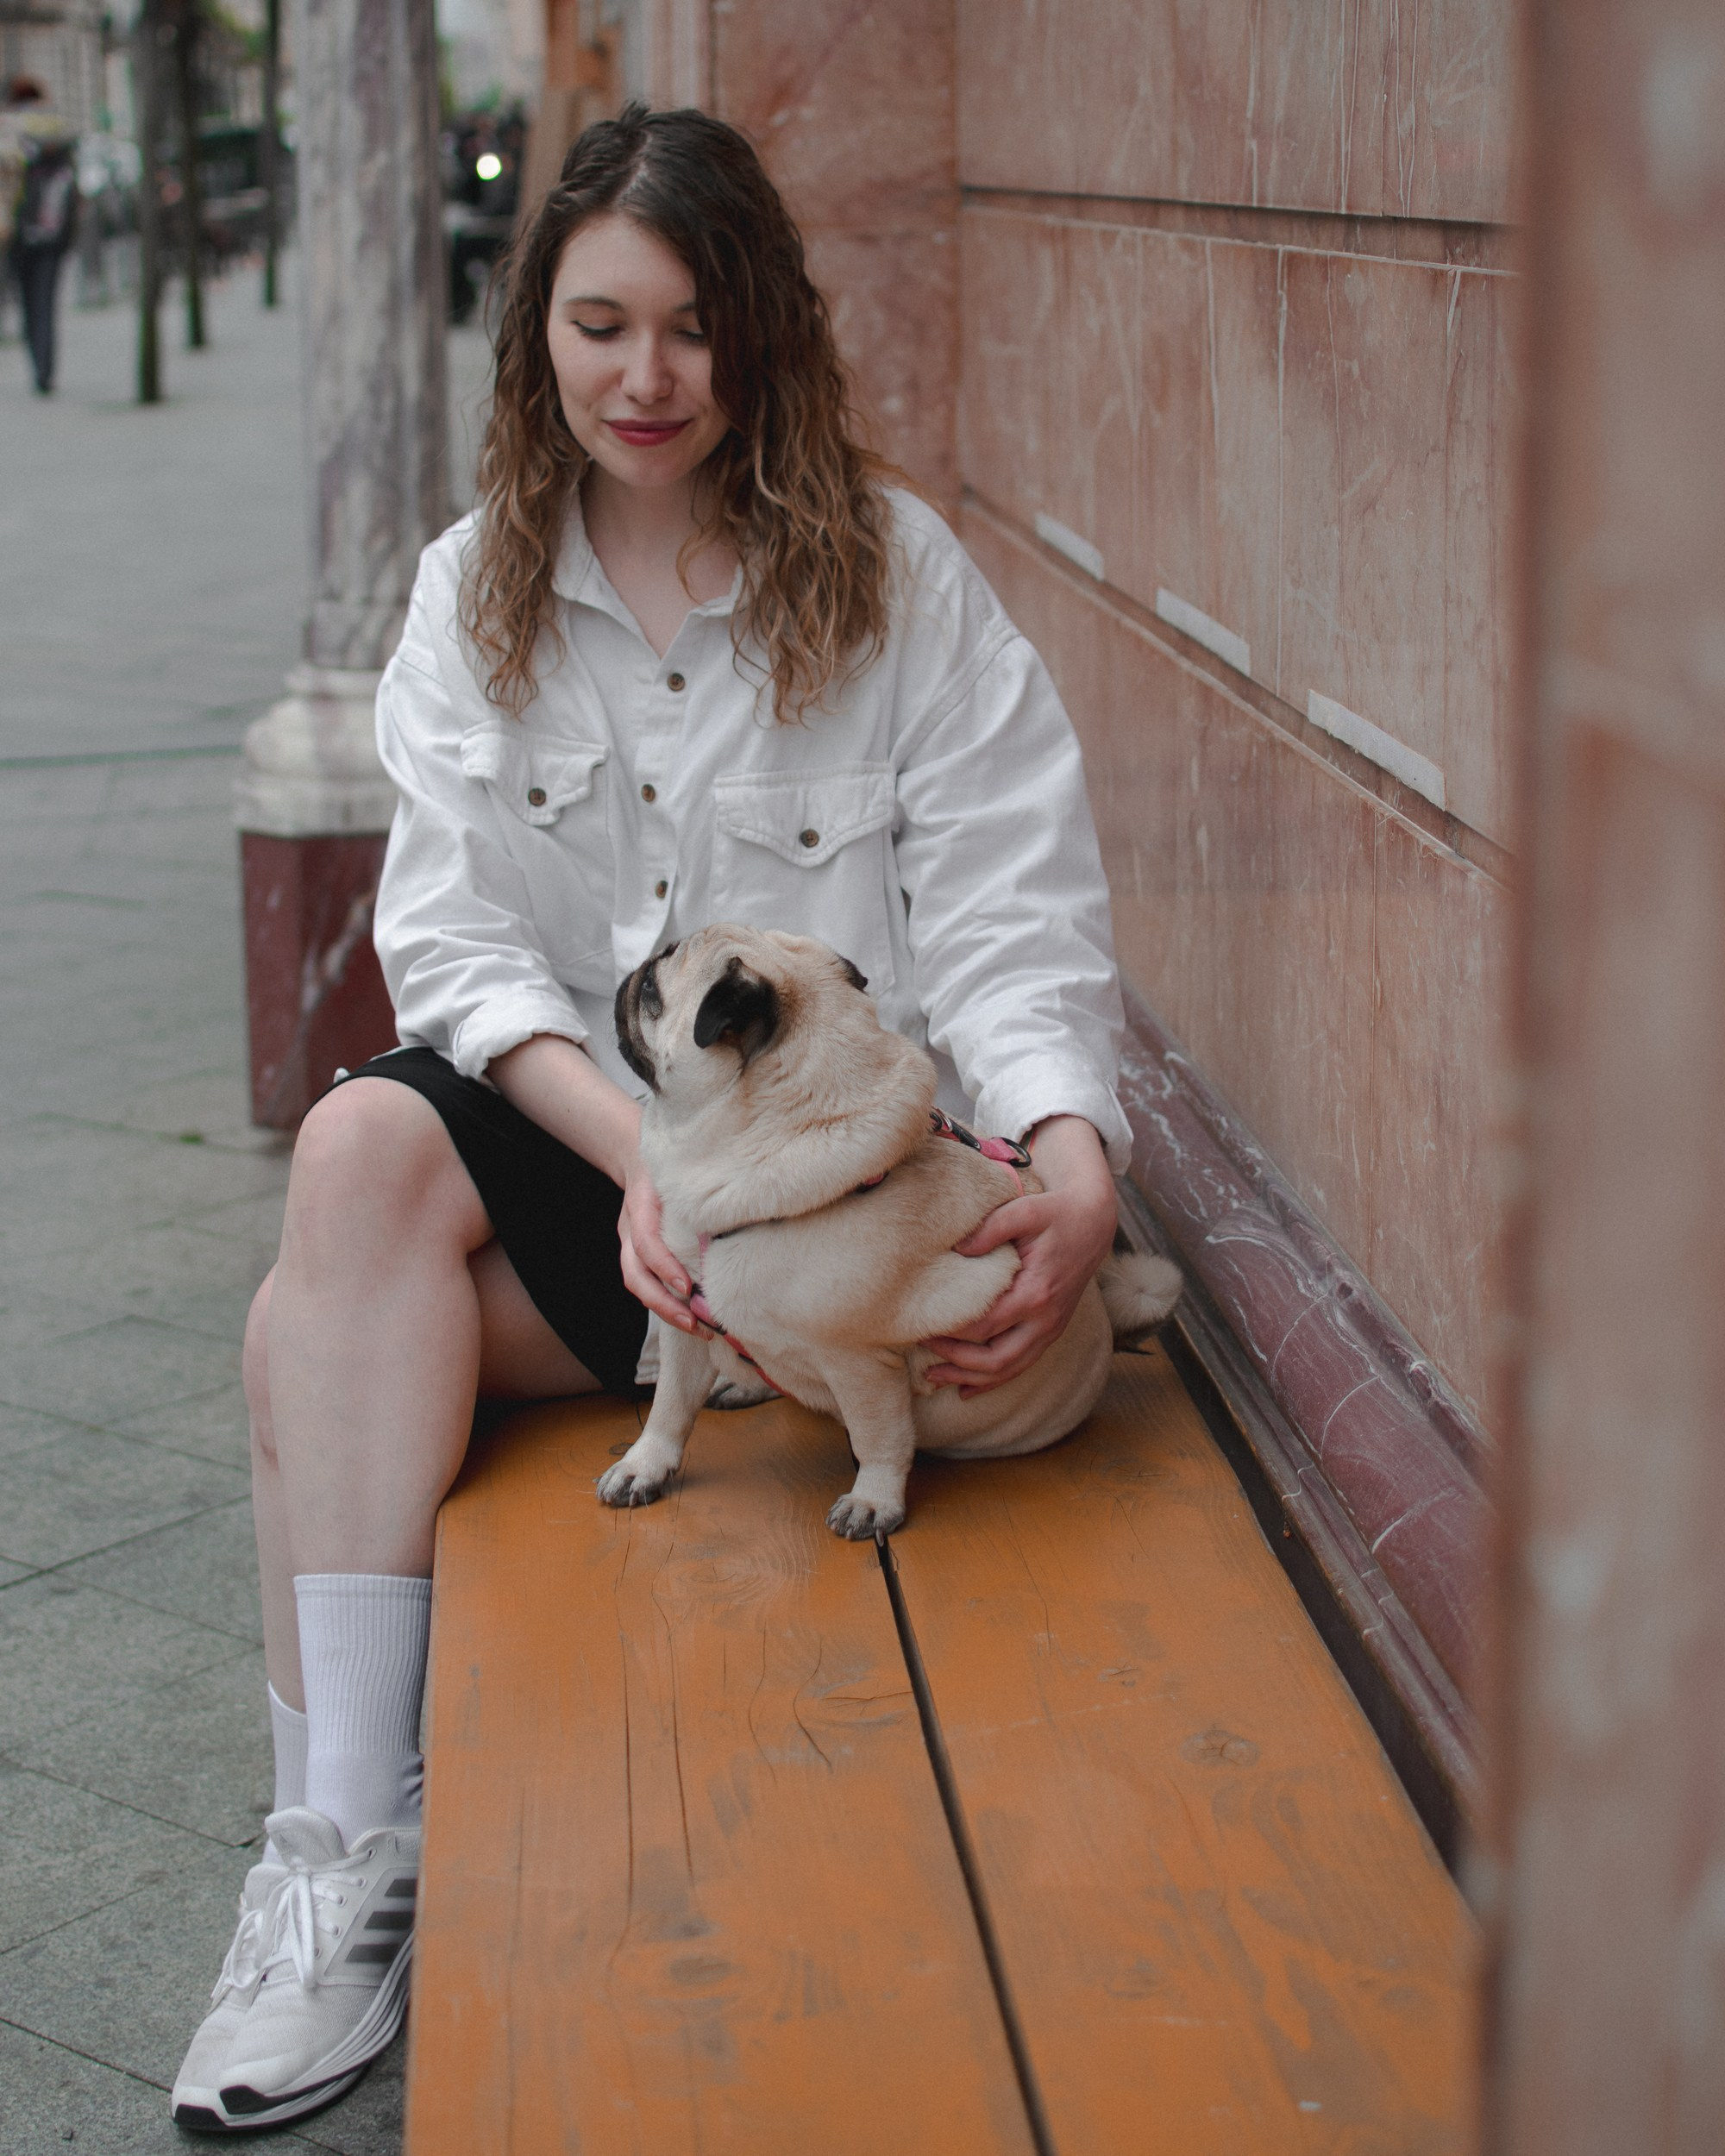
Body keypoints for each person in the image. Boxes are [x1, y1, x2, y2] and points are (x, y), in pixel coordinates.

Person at [169, 102, 1134, 2134]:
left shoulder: (897, 585)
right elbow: (450, 958)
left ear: (758, 335)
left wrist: (1069, 1167)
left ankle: (346, 1845)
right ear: (536, 336)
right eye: (598, 325)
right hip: (625, 1196)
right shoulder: (474, 594)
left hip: (843, 1255)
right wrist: (644, 1174)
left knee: (301, 1339)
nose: (642, 377)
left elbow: (1013, 911)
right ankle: (340, 1871)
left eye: (688, 327)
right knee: (359, 1148)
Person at [1, 76, 77, 394]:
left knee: (26, 302)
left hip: (18, 231)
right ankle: (45, 369)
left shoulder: (8, 130)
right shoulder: (57, 128)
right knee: (45, 302)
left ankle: (38, 366)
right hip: (53, 232)